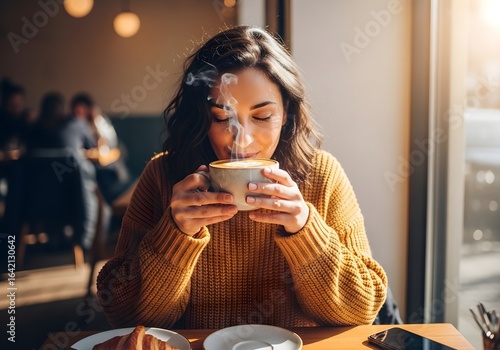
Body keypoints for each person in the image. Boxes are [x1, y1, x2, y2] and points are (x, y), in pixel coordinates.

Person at [96, 26, 387, 329]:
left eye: (262, 117)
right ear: (202, 118)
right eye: (222, 119)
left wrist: (305, 230)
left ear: (286, 112)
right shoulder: (163, 176)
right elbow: (122, 314)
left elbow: (361, 310)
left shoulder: (321, 176)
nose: (241, 141)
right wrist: (175, 233)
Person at [70, 92, 135, 207]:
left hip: (108, 170)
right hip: (87, 170)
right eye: (75, 112)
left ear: (89, 110)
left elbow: (109, 148)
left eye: (81, 111)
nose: (78, 115)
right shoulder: (73, 126)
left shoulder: (99, 123)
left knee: (102, 190)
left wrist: (96, 120)